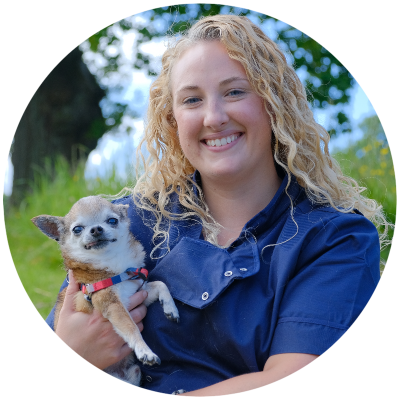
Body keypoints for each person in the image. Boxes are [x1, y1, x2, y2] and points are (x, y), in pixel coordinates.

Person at [46, 15, 388, 395]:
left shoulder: (334, 240)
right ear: (173, 120)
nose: (214, 118)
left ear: (274, 103)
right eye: (192, 100)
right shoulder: (127, 222)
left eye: (235, 92)